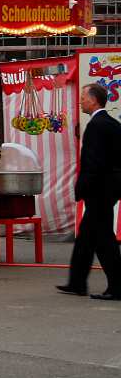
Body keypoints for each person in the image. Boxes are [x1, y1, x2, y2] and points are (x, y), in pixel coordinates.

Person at [58, 84, 121, 301]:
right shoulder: (112, 124)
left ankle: (117, 286)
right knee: (86, 238)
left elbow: (93, 163)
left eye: (84, 97)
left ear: (94, 100)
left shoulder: (97, 125)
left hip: (99, 192)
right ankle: (77, 282)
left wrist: (82, 189)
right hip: (108, 190)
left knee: (104, 241)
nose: (81, 101)